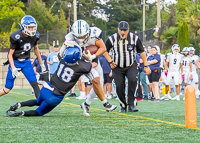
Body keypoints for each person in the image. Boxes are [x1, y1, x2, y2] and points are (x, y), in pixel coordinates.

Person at [59, 19, 117, 116]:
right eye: (78, 37)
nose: (81, 39)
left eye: (83, 36)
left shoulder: (94, 34)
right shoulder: (69, 38)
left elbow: (103, 48)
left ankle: (86, 104)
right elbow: (61, 55)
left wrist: (93, 56)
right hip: (79, 62)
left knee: (99, 83)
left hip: (93, 60)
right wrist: (65, 47)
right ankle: (105, 103)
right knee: (96, 81)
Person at [6, 46, 86, 117]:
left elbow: (60, 53)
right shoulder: (81, 68)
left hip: (46, 88)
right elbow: (88, 66)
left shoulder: (62, 60)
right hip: (55, 96)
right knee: (38, 112)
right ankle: (21, 113)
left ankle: (19, 104)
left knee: (38, 101)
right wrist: (89, 58)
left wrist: (65, 45)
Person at [103, 21, 151, 113]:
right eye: (121, 30)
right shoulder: (112, 38)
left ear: (128, 30)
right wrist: (110, 61)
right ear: (118, 29)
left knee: (133, 81)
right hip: (117, 66)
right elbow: (105, 50)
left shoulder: (134, 38)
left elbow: (142, 52)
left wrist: (146, 65)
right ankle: (123, 105)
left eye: (125, 30)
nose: (123, 32)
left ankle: (132, 104)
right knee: (119, 85)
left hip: (130, 65)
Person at [0, 15, 45, 98]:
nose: (32, 29)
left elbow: (36, 50)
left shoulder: (35, 36)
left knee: (35, 83)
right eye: (29, 27)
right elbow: (10, 54)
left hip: (26, 62)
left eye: (33, 27)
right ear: (23, 27)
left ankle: (41, 104)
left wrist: (41, 63)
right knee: (7, 89)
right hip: (15, 62)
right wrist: (13, 67)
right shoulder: (16, 36)